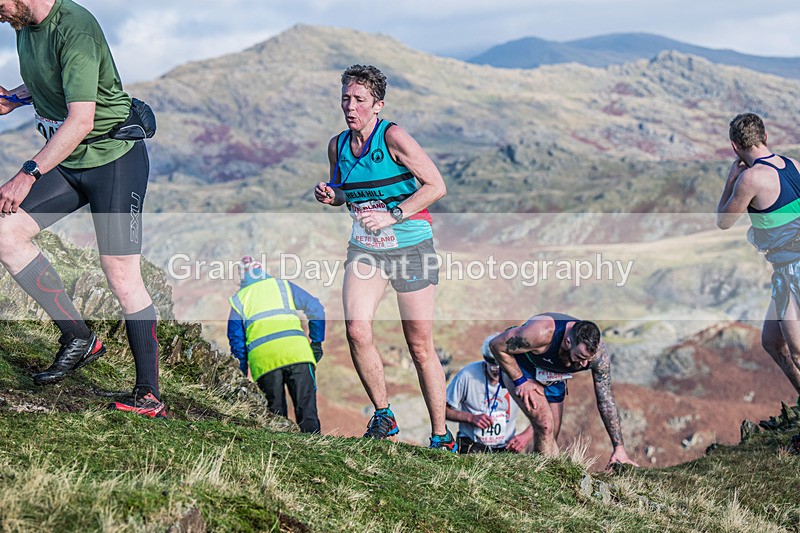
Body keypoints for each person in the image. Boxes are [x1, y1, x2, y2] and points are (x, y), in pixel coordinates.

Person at [0, 0, 163, 417]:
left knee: (122, 276)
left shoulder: (76, 28)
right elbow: (58, 82)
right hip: (71, 160)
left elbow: (81, 120)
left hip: (114, 161)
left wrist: (27, 173)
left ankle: (149, 394)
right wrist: (16, 99)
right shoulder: (23, 23)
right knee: (4, 231)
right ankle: (78, 337)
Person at [313, 64, 455, 451]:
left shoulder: (393, 136)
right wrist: (332, 194)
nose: (350, 106)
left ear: (377, 105)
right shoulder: (337, 145)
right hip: (366, 248)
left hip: (410, 245)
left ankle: (441, 436)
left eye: (359, 100)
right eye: (346, 98)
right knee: (357, 329)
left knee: (420, 345)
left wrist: (393, 214)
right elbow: (343, 189)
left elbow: (436, 186)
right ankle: (383, 415)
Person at [717, 112, 800, 395]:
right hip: (787, 270)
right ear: (766, 137)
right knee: (771, 341)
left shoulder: (750, 179)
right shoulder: (794, 165)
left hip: (792, 270)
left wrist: (730, 180)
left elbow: (723, 221)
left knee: (798, 351)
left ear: (734, 147)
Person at [489, 312, 638, 468]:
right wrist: (520, 381)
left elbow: (606, 400)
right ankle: (547, 478)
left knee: (551, 434)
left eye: (588, 358)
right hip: (523, 369)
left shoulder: (598, 355)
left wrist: (618, 447)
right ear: (568, 342)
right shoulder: (541, 332)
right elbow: (496, 345)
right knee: (545, 424)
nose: (584, 364)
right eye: (580, 357)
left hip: (554, 375)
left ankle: (535, 470)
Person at [227, 256, 325, 433]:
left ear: (241, 277)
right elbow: (316, 308)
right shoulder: (283, 286)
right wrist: (316, 342)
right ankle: (317, 454)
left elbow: (237, 344)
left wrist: (241, 373)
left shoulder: (239, 300)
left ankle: (281, 458)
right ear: (262, 269)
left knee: (276, 419)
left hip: (265, 363)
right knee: (307, 412)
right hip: (298, 355)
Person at [446, 334, 533, 453]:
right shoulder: (467, 375)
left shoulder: (520, 380)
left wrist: (526, 436)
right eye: (493, 364)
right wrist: (470, 418)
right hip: (471, 445)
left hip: (506, 447)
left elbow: (544, 414)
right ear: (485, 359)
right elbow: (442, 410)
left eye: (502, 365)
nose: (497, 369)